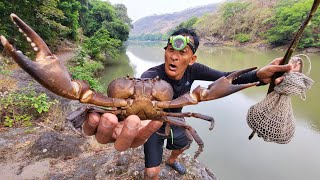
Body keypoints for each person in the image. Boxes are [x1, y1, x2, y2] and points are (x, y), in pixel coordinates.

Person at [82, 28, 294, 179]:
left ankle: (172, 161)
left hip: (175, 118)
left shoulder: (195, 69)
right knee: (151, 173)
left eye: (182, 53)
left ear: (191, 58)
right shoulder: (150, 77)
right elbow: (132, 109)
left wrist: (259, 76)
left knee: (183, 144)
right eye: (170, 51)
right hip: (152, 124)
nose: (174, 57)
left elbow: (227, 78)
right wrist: (119, 117)